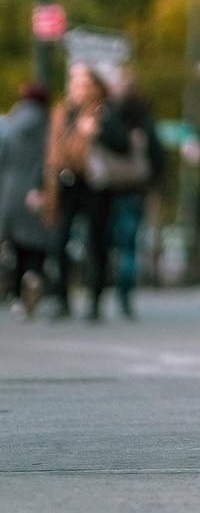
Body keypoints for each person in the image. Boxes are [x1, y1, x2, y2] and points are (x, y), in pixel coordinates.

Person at [43, 64, 131, 322]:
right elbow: (51, 150)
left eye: (82, 82)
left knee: (97, 242)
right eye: (74, 81)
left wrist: (97, 132)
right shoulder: (62, 111)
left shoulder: (104, 111)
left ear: (94, 85)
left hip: (96, 183)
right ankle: (61, 300)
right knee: (59, 241)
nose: (77, 87)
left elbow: (122, 144)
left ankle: (95, 301)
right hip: (66, 181)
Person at [110, 72, 165, 319]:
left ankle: (101, 293)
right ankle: (124, 296)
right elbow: (158, 156)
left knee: (106, 243)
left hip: (109, 188)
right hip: (136, 190)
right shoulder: (145, 119)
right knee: (129, 246)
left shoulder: (109, 115)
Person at [0, 83, 52, 318]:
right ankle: (34, 275)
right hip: (39, 189)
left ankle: (19, 292)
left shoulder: (11, 125)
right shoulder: (49, 125)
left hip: (11, 190)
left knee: (16, 243)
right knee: (38, 242)